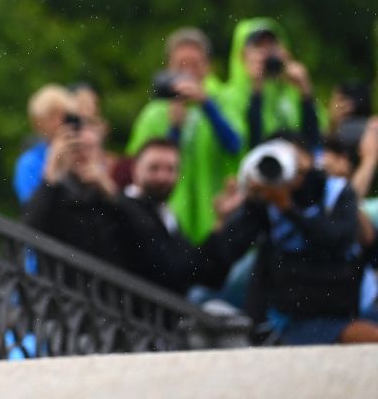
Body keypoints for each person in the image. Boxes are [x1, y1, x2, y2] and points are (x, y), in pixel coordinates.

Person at [205, 135, 378, 345]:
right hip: (297, 318)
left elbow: (336, 239)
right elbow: (219, 260)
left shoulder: (332, 188)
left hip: (345, 304)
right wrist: (238, 210)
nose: (286, 165)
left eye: (292, 156)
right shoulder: (266, 201)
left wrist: (288, 207)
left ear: (309, 158)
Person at [127, 27, 242, 244]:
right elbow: (139, 167)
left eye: (195, 65)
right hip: (169, 218)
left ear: (207, 67)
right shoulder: (153, 113)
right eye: (181, 65)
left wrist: (208, 106)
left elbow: (235, 146)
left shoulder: (224, 103)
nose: (188, 73)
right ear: (168, 67)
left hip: (215, 214)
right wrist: (175, 129)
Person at [117, 139, 225, 294]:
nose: (162, 177)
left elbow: (198, 269)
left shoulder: (167, 216)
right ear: (135, 169)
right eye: (154, 168)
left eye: (170, 169)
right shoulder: (120, 208)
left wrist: (221, 222)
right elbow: (169, 268)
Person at [23, 119, 126, 268]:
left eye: (89, 148)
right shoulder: (54, 193)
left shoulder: (108, 195)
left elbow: (140, 236)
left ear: (100, 153)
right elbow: (29, 229)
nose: (82, 155)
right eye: (75, 148)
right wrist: (51, 173)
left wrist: (109, 188)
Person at [219, 18, 323, 150]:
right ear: (242, 55)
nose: (267, 52)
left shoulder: (291, 91)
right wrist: (256, 91)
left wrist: (306, 91)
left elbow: (316, 140)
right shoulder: (228, 97)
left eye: (272, 45)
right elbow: (245, 146)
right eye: (259, 46)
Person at [14, 85, 81, 205]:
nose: (58, 122)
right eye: (51, 117)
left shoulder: (81, 153)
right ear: (38, 123)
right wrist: (53, 162)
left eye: (63, 116)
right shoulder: (29, 162)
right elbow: (30, 208)